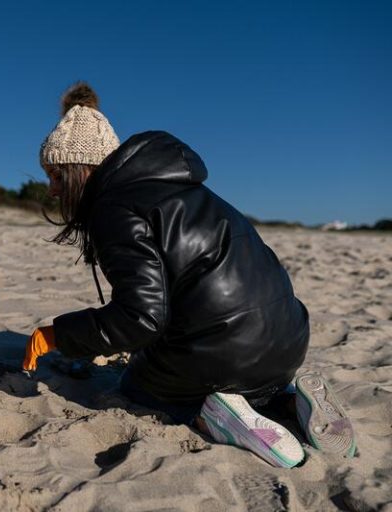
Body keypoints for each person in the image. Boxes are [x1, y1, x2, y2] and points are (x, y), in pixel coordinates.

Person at [23, 82, 356, 467]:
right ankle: (291, 399)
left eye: (56, 176)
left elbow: (141, 317)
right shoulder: (189, 189)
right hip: (288, 342)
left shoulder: (113, 208)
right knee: (236, 374)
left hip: (226, 354)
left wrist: (57, 334)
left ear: (81, 171)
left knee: (136, 386)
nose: (50, 190)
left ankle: (214, 416)